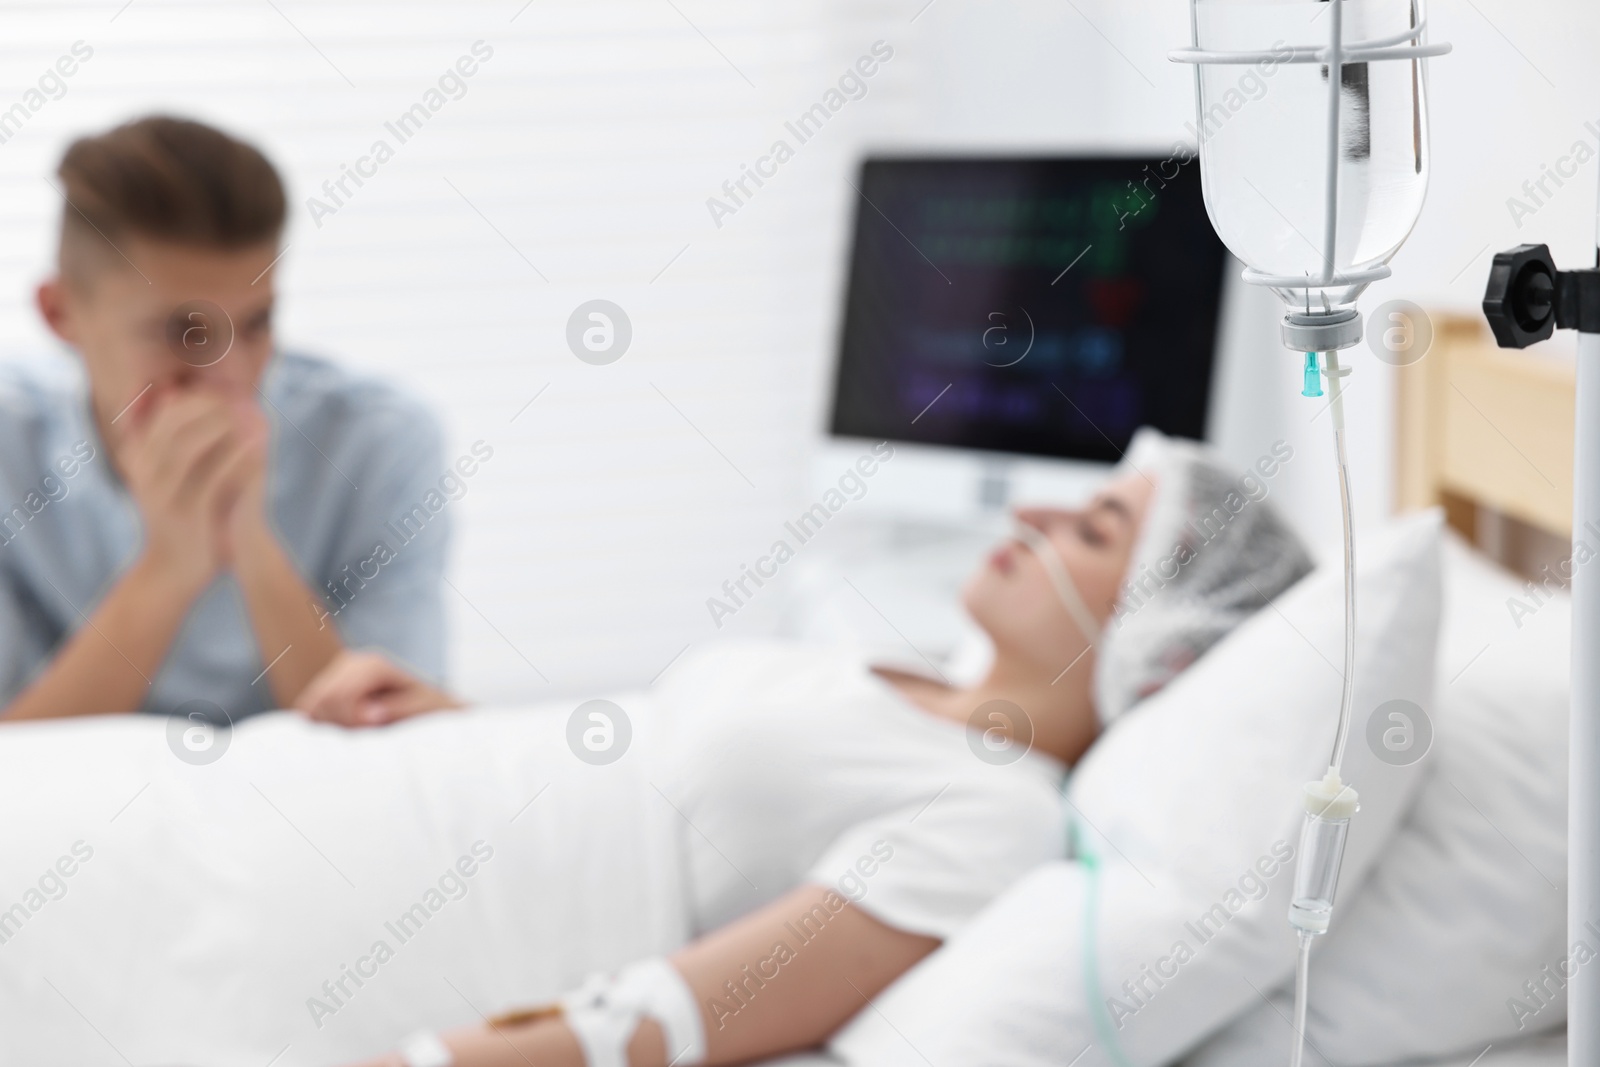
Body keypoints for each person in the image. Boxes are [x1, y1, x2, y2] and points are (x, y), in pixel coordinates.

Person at [303, 429, 1314, 1067]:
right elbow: (660, 774)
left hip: (380, 912)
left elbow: (670, 1019)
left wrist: (432, 1060)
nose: (1030, 511)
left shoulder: (994, 812)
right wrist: (465, 725)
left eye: (1090, 533)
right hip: (374, 787)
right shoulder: (893, 663)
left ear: (1161, 647)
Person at [0, 116, 451, 724]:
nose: (230, 374)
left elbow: (393, 737)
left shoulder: (379, 442)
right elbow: (18, 761)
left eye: (257, 324)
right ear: (61, 315)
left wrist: (249, 541)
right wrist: (168, 569)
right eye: (184, 331)